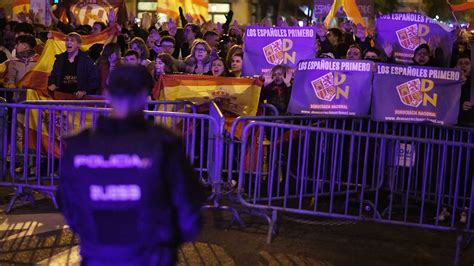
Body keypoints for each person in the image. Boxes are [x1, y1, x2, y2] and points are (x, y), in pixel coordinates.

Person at [59, 64, 204, 265]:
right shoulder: (164, 144)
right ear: (145, 95)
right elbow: (188, 210)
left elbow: (69, 205)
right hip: (151, 256)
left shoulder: (79, 145)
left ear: (107, 94)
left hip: (98, 255)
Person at [48, 32, 99, 97]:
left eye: (72, 40)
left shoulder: (87, 61)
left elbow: (94, 81)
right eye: (67, 40)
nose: (68, 42)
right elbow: (53, 76)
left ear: (79, 44)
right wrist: (52, 84)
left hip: (79, 98)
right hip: (61, 96)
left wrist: (84, 92)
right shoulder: (59, 59)